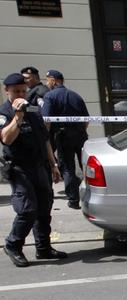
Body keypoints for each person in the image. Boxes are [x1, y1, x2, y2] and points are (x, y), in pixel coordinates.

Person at [0, 73, 66, 267]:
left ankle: (43, 248)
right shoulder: (4, 113)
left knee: (44, 208)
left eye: (23, 91)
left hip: (39, 166)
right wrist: (18, 117)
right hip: (19, 168)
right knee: (27, 210)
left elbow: (45, 140)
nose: (21, 95)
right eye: (16, 91)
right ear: (7, 91)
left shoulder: (34, 110)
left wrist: (53, 165)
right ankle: (13, 245)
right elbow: (6, 139)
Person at [41, 69, 89, 209]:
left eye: (48, 80)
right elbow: (86, 119)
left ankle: (73, 200)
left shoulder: (50, 96)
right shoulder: (76, 95)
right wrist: (80, 131)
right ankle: (91, 196)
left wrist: (45, 138)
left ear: (54, 80)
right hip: (81, 135)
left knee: (67, 168)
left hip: (63, 136)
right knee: (85, 166)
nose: (47, 84)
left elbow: (46, 120)